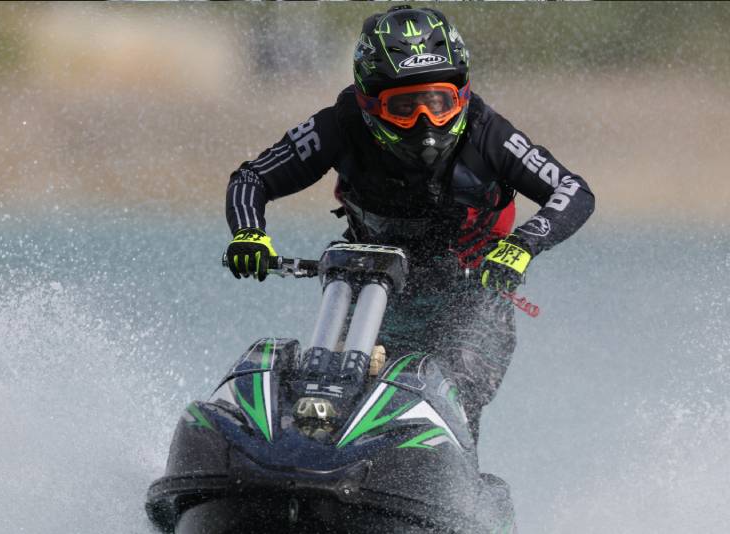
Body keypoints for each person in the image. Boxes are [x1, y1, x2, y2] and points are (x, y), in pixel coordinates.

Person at [223, 5, 595, 446]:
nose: (426, 122)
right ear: (368, 101)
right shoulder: (340, 125)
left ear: (460, 92)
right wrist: (249, 233)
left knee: (450, 390)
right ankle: (293, 454)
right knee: (329, 386)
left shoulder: (487, 132)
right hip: (367, 290)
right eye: (404, 107)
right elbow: (253, 178)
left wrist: (522, 246)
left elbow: (572, 190)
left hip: (472, 297)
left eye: (438, 102)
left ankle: (452, 497)